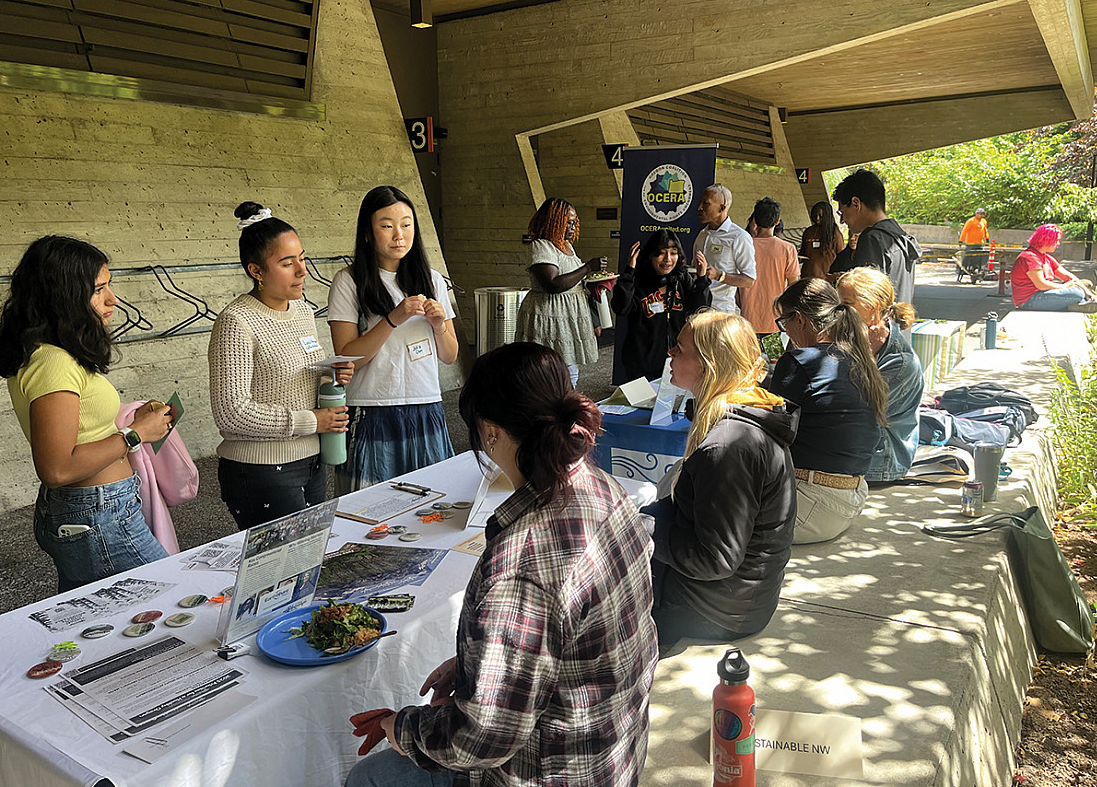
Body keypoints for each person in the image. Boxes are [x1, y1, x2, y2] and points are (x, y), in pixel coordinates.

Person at [345, 342, 658, 787]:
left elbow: (480, 740)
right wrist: (476, 664)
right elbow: (573, 634)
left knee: (369, 778)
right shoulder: (604, 489)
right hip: (615, 753)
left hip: (554, 770)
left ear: (490, 432)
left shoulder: (521, 563)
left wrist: (402, 728)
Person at [0, 236, 174, 592]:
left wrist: (135, 420)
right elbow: (57, 468)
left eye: (109, 286)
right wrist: (135, 435)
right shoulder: (53, 363)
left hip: (94, 511)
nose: (112, 300)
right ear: (63, 296)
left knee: (99, 620)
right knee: (176, 599)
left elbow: (80, 427)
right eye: (97, 290)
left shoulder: (51, 354)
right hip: (97, 514)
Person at [642, 311, 798, 646]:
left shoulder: (728, 446)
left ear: (708, 366)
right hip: (733, 600)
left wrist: (639, 528)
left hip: (714, 612)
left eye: (680, 350)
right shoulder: (736, 420)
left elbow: (715, 560)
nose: (670, 353)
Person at [209, 202, 353, 529]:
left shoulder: (301, 310)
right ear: (256, 271)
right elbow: (231, 411)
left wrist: (332, 374)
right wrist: (310, 420)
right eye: (288, 263)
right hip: (262, 470)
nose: (302, 270)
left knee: (312, 557)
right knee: (284, 567)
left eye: (302, 258)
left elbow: (299, 374)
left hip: (312, 458)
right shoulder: (236, 322)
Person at [328, 185, 458, 492]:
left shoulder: (433, 279)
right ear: (367, 233)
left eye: (406, 224)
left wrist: (439, 325)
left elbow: (450, 355)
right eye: (387, 226)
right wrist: (391, 320)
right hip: (372, 408)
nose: (399, 235)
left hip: (426, 405)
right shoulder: (349, 281)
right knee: (368, 504)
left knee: (431, 502)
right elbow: (347, 357)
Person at [768, 278, 889, 544]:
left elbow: (768, 431)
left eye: (783, 322)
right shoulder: (860, 360)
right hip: (850, 502)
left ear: (798, 319)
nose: (784, 330)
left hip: (810, 506)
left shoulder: (799, 361)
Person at [836, 268, 923, 484]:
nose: (837, 311)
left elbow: (860, 411)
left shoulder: (901, 361)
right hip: (856, 449)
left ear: (871, 307)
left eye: (846, 304)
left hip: (880, 461)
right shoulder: (851, 335)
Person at [513, 198, 605, 387]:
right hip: (550, 316)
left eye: (575, 222)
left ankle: (564, 408)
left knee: (569, 370)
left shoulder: (566, 245)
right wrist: (587, 267)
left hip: (569, 315)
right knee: (550, 370)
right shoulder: (541, 246)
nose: (573, 226)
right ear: (553, 221)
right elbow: (553, 284)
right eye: (568, 222)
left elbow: (575, 280)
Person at [610, 228, 710, 382]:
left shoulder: (681, 278)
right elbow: (621, 308)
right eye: (661, 253)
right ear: (651, 255)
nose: (668, 259)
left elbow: (700, 310)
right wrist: (629, 272)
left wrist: (702, 279)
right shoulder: (637, 281)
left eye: (673, 252)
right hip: (641, 364)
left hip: (675, 362)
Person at [831, 169, 922, 304]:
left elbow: (864, 301)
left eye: (842, 212)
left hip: (876, 324)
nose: (842, 220)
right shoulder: (901, 237)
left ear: (856, 203)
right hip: (899, 322)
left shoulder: (872, 239)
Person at [738, 196, 800, 336]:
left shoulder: (744, 247)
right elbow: (794, 286)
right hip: (775, 321)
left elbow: (736, 284)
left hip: (747, 320)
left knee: (748, 358)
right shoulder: (788, 249)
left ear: (754, 220)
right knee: (773, 358)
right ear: (777, 221)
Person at [692, 183, 756, 313]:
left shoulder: (739, 237)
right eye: (700, 203)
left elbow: (749, 280)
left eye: (705, 204)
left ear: (722, 208)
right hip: (696, 309)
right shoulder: (701, 235)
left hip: (721, 311)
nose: (699, 208)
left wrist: (719, 275)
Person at [1011, 224, 1097, 312]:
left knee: (1079, 289)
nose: (1058, 244)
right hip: (1029, 301)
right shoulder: (1030, 257)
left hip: (1042, 294)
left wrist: (1088, 292)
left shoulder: (1046, 258)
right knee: (1077, 294)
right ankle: (1081, 301)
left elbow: (1068, 276)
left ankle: (1080, 303)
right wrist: (1064, 286)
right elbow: (1041, 285)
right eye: (1056, 240)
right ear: (1046, 240)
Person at [799, 201, 845, 279]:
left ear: (827, 216)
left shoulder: (834, 233)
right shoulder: (809, 231)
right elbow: (803, 252)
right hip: (808, 276)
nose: (817, 218)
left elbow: (842, 256)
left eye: (820, 216)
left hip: (826, 278)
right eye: (815, 215)